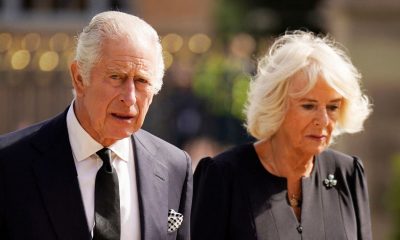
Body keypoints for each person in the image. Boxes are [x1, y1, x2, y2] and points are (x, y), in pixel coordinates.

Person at [0, 11, 192, 240]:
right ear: (79, 78)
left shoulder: (174, 166)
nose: (129, 97)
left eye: (141, 81)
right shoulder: (10, 163)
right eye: (116, 77)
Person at [191, 30, 373, 240]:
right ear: (276, 105)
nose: (323, 120)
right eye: (308, 106)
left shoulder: (347, 174)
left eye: (332, 107)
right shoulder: (223, 176)